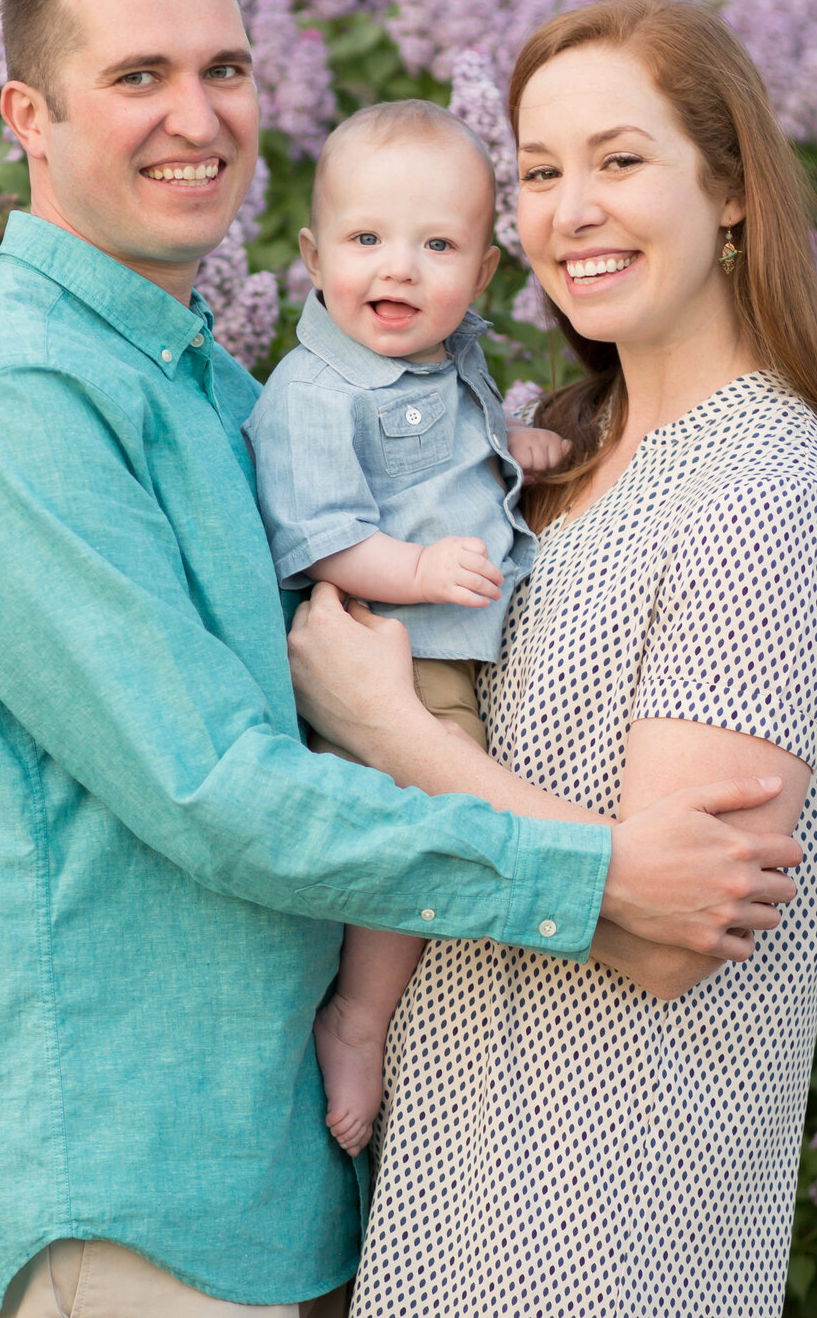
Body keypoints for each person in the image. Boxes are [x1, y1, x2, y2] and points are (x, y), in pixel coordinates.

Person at [0, 0, 809, 1318]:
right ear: (28, 114)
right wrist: (601, 868)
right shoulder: (14, 399)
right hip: (127, 1198)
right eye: (137, 76)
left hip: (274, 1184)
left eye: (225, 68)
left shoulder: (223, 397)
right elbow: (219, 794)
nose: (197, 114)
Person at [294, 0, 817, 1316]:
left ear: (729, 188)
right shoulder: (549, 463)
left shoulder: (763, 492)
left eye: (620, 160)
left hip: (608, 1235)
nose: (570, 210)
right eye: (541, 172)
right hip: (447, 1202)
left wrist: (391, 731)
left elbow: (674, 934)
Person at [242, 100, 571, 1155]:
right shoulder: (315, 389)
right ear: (311, 254)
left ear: (480, 275)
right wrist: (422, 567)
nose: (399, 268)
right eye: (367, 238)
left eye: (436, 246)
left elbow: (439, 450)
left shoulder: (446, 352)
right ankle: (360, 1016)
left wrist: (510, 445)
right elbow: (324, 536)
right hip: (392, 647)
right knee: (434, 812)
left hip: (441, 646)